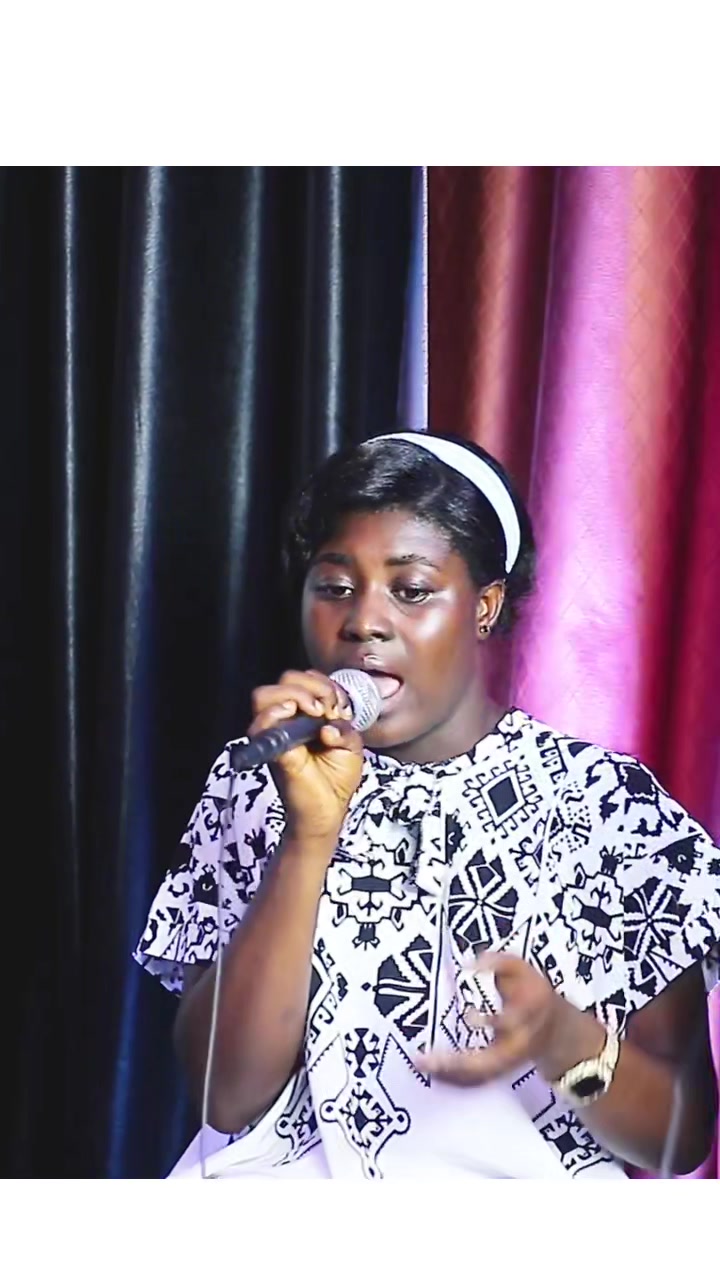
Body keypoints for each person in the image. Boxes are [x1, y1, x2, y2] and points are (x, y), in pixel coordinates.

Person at [134, 431, 720, 1180]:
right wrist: (308, 838)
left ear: (484, 606)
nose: (364, 621)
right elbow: (228, 1098)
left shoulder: (607, 806)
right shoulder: (260, 779)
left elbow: (677, 1142)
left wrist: (559, 1037)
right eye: (334, 586)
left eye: (410, 590)